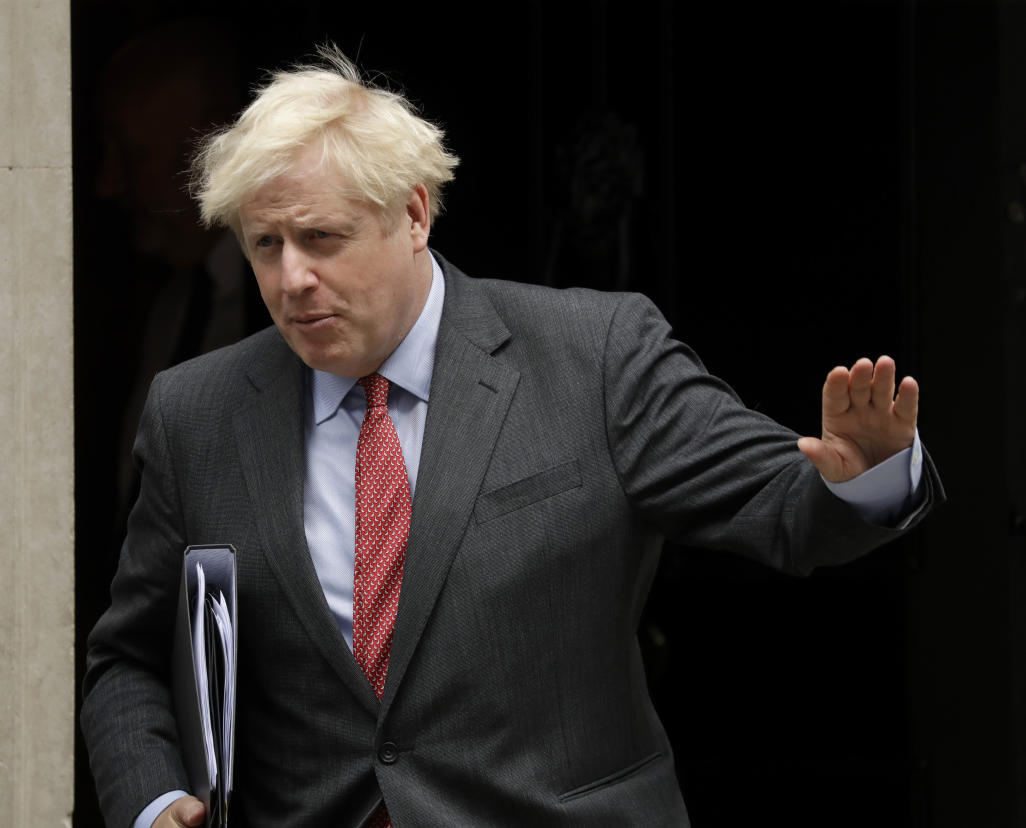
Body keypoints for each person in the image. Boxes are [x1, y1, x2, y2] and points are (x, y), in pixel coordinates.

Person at [82, 47, 942, 828]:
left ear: (414, 215)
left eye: (322, 238)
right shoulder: (198, 412)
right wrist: (153, 800)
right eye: (265, 245)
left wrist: (864, 478)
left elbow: (781, 508)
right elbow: (128, 658)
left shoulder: (593, 358)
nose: (291, 278)